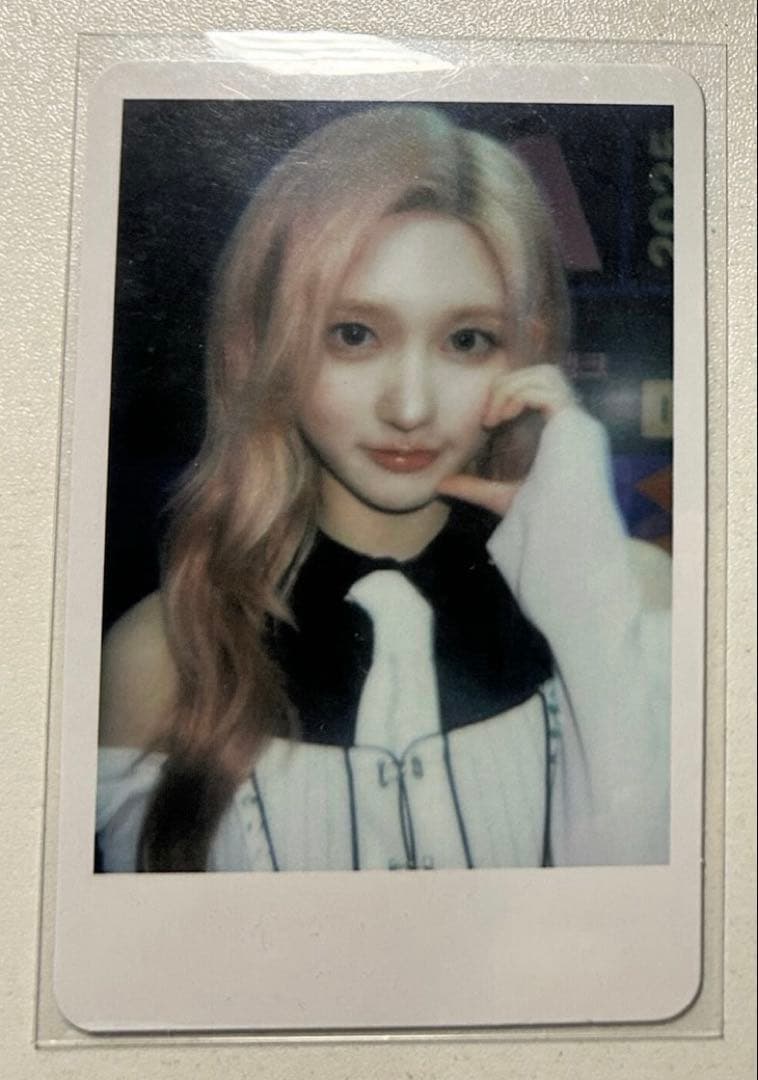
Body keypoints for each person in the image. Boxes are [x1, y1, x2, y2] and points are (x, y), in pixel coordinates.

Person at [97, 105, 671, 873]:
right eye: (355, 334)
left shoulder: (639, 601)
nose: (409, 407)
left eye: (466, 340)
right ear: (267, 344)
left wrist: (593, 623)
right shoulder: (159, 658)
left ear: (524, 352)